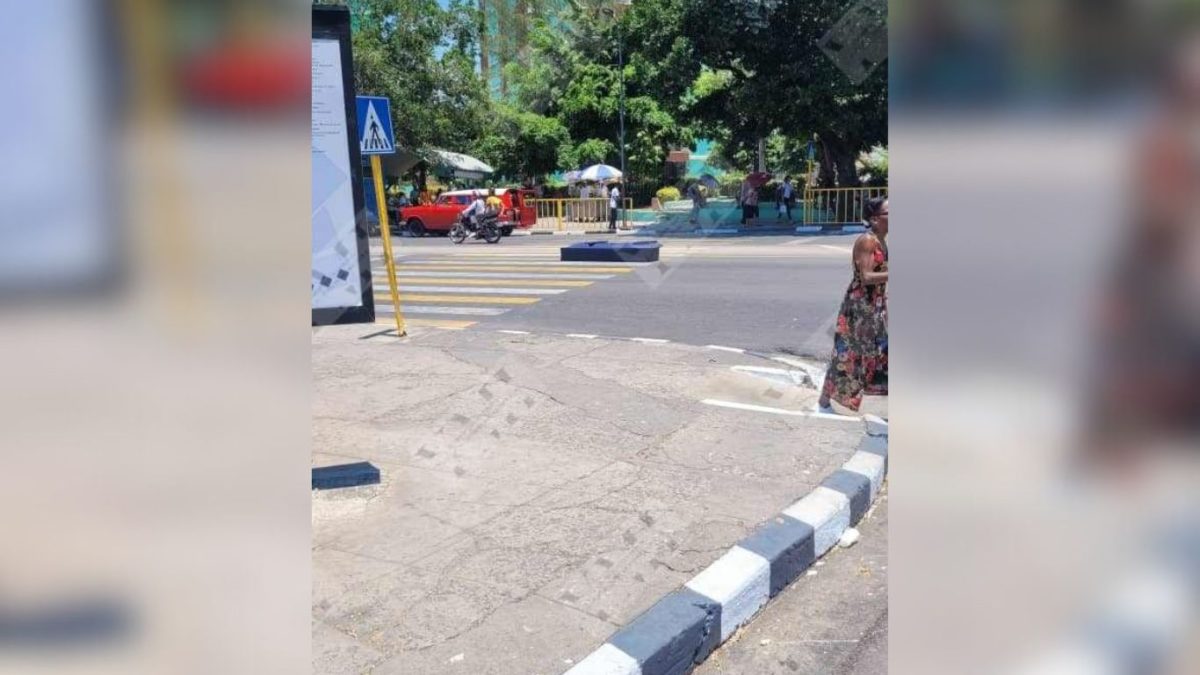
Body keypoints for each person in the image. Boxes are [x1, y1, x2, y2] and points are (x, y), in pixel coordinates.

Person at [817, 197, 888, 413]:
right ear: (874, 219)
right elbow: (866, 276)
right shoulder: (867, 241)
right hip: (859, 308)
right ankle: (823, 402)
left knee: (875, 352)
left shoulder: (881, 241)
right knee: (847, 354)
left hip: (873, 306)